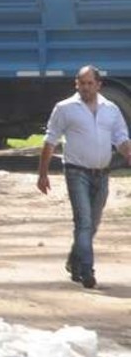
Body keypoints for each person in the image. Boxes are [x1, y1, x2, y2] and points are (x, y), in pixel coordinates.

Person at [36, 65, 131, 288]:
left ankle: (74, 261)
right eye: (82, 83)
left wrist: (128, 153)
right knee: (84, 222)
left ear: (99, 85)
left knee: (92, 224)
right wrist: (42, 174)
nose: (86, 87)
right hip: (76, 172)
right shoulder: (65, 108)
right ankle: (87, 271)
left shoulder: (111, 109)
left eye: (90, 83)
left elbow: (120, 138)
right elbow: (50, 141)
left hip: (102, 174)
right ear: (76, 84)